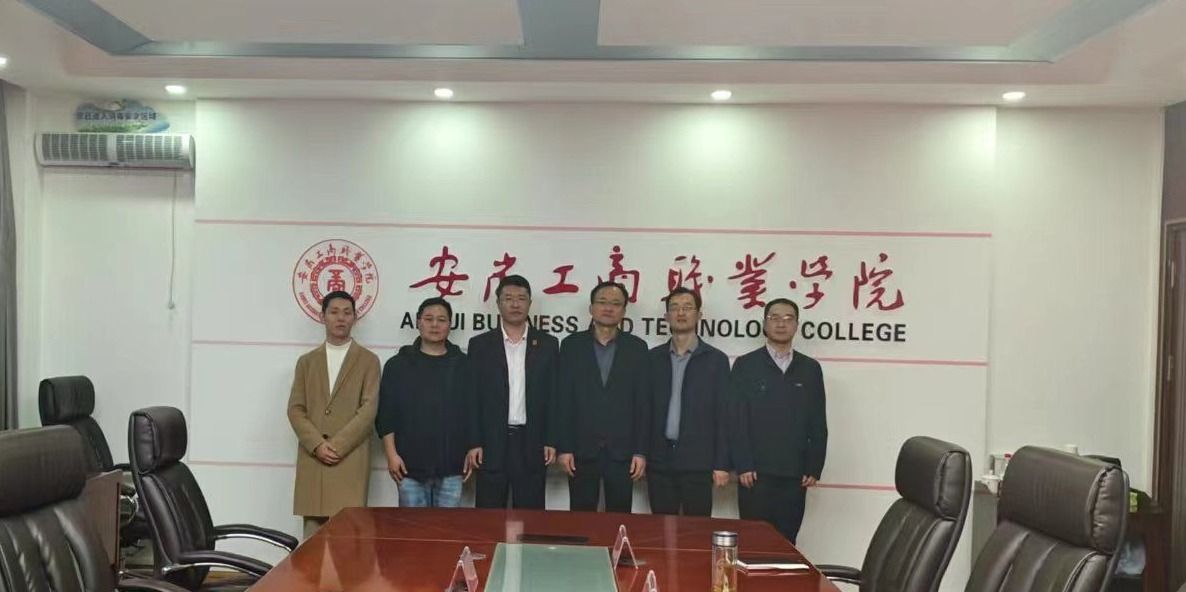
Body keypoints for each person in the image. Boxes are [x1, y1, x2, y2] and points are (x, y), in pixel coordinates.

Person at [730, 298, 828, 543]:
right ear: (764, 324)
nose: (781, 324)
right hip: (755, 474)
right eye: (774, 318)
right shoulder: (745, 365)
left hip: (794, 474)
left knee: (787, 542)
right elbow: (736, 420)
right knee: (753, 542)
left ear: (797, 325)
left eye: (788, 318)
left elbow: (818, 419)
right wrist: (742, 464)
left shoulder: (810, 368)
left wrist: (814, 465)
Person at [287, 290, 380, 539]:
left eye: (347, 313)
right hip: (314, 459)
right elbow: (295, 408)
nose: (341, 318)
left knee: (348, 540)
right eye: (334, 312)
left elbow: (369, 409)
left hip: (349, 459)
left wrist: (337, 445)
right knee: (312, 543)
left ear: (355, 318)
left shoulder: (369, 361)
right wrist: (317, 445)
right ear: (322, 316)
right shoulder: (306, 362)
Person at [555, 281, 650, 513]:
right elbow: (563, 400)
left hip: (622, 452)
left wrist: (640, 451)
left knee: (620, 517)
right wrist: (564, 448)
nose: (608, 308)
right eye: (602, 302)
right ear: (591, 308)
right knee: (581, 519)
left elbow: (642, 404)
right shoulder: (571, 346)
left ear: (624, 311)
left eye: (616, 304)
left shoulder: (637, 348)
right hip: (581, 450)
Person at [466, 275, 560, 509]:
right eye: (508, 298)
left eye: (521, 298)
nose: (515, 304)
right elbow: (472, 399)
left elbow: (554, 398)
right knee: (488, 516)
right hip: (491, 443)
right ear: (498, 303)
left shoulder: (548, 344)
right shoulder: (480, 345)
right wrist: (474, 441)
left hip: (532, 442)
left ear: (530, 303)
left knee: (531, 517)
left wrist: (551, 439)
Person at [375, 297, 475, 508]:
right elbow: (386, 415)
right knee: (412, 528)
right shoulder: (398, 365)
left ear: (450, 324)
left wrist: (472, 448)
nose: (435, 325)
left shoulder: (464, 365)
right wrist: (391, 455)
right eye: (429, 319)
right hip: (408, 468)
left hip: (452, 467)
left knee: (447, 528)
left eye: (441, 320)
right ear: (418, 322)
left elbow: (473, 413)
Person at [646, 287, 731, 516]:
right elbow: (643, 410)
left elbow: (724, 415)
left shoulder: (716, 360)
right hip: (659, 461)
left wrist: (721, 463)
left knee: (697, 530)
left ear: (699, 314)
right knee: (660, 529)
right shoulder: (652, 358)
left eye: (687, 307)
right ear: (666, 316)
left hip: (699, 462)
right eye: (674, 308)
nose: (681, 313)